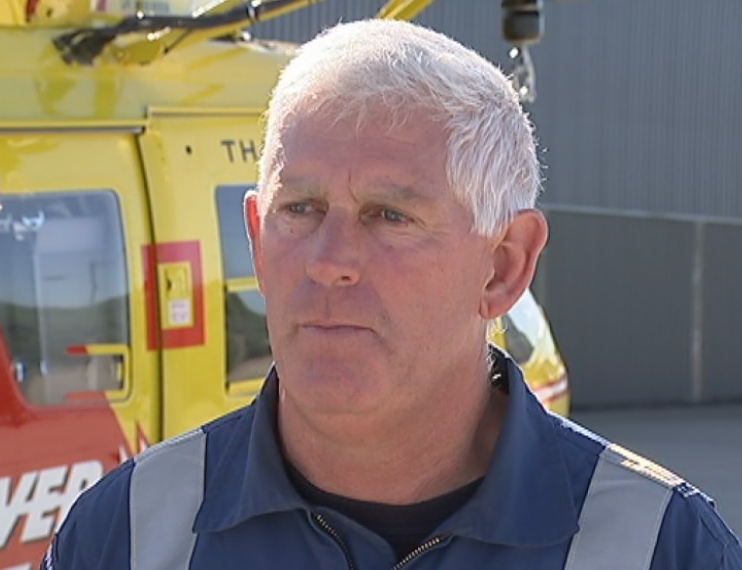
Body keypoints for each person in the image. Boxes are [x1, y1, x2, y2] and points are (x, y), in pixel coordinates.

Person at [41, 18, 742, 569]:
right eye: (301, 209)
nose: (330, 262)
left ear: (502, 266)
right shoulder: (122, 535)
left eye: (390, 216)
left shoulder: (665, 549)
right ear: (257, 235)